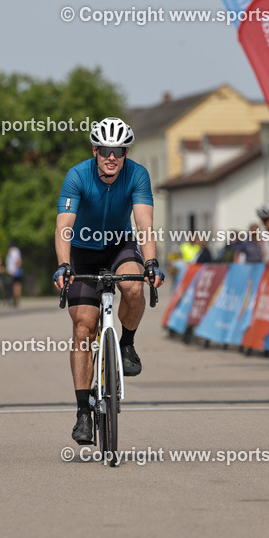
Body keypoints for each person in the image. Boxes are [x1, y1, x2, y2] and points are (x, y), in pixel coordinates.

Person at [53, 117, 164, 445]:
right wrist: (63, 265)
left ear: (126, 152)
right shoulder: (77, 175)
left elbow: (144, 224)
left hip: (119, 245)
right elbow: (64, 227)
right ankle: (83, 413)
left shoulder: (137, 174)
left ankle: (126, 343)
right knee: (83, 328)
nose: (111, 157)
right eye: (105, 150)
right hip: (82, 252)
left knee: (133, 285)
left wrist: (151, 262)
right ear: (95, 150)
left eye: (118, 150)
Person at [5, 242, 23, 307]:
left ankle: (16, 300)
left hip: (14, 272)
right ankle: (15, 299)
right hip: (13, 272)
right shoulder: (13, 252)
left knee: (15, 285)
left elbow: (18, 261)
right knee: (15, 285)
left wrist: (16, 270)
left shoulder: (14, 251)